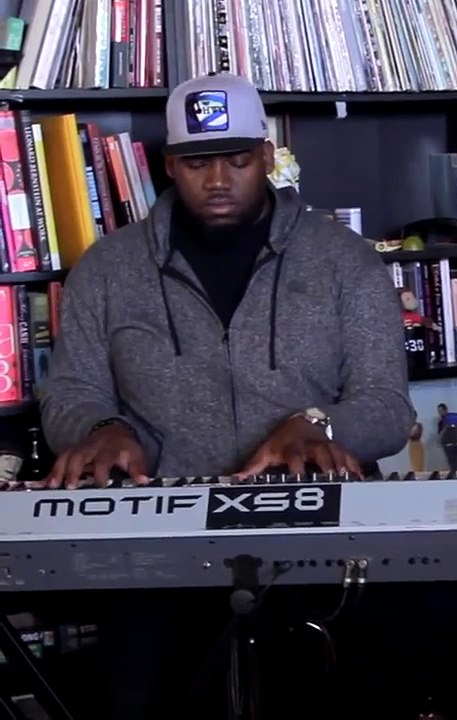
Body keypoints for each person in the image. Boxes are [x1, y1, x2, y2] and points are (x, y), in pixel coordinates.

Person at [37, 72, 416, 719]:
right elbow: (71, 390)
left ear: (267, 157)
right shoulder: (107, 268)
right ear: (168, 166)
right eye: (197, 162)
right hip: (154, 547)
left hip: (317, 538)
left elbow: (387, 405)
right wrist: (100, 426)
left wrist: (316, 422)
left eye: (238, 160)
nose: (218, 180)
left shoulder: (345, 261)